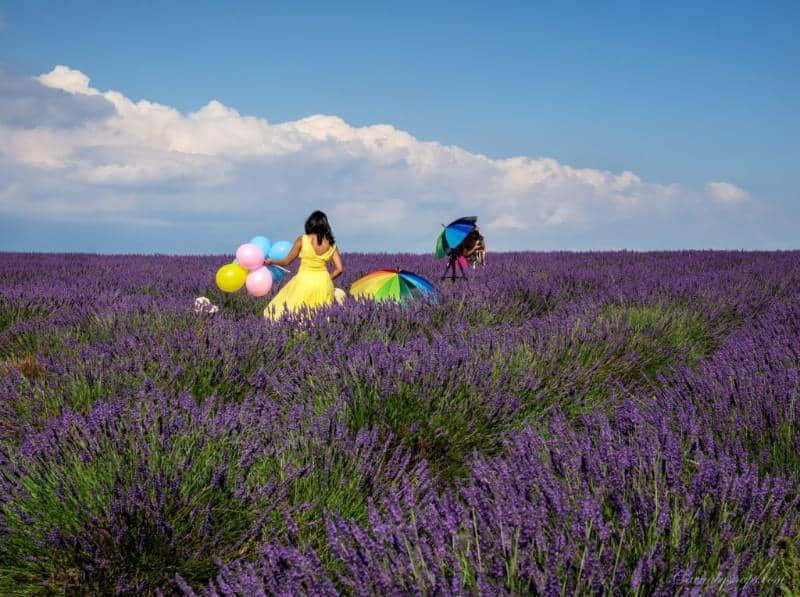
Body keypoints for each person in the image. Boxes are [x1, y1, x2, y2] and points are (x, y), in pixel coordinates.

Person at [263, 211, 344, 320]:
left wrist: (271, 261)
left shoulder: (303, 239)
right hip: (323, 283)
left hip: (304, 281)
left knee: (293, 312)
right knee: (320, 317)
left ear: (310, 223)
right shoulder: (331, 244)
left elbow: (287, 261)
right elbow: (340, 269)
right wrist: (327, 278)